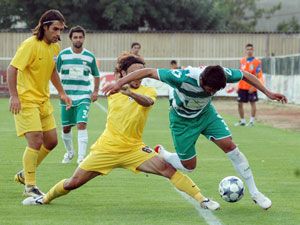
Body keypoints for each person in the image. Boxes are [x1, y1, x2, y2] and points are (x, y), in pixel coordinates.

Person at [22, 53, 220, 211]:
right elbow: (111, 84)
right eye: (134, 72)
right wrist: (118, 85)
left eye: (141, 73)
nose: (139, 77)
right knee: (73, 183)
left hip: (134, 149)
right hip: (106, 149)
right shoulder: (114, 91)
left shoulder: (147, 92)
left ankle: (203, 199)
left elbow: (148, 102)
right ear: (124, 74)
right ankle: (44, 198)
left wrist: (130, 93)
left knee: (168, 170)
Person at [102, 65, 287, 210]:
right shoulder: (183, 78)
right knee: (189, 166)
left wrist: (268, 93)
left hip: (206, 115)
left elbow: (245, 75)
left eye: (215, 91)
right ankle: (165, 155)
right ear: (201, 81)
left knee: (230, 146)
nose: (211, 93)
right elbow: (148, 71)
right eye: (209, 89)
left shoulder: (220, 74)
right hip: (181, 121)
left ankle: (256, 193)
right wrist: (118, 84)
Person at [7, 9, 72, 197]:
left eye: (61, 30)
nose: (59, 34)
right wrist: (14, 96)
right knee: (35, 139)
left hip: (43, 100)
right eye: (55, 29)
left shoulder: (54, 48)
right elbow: (12, 69)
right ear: (45, 27)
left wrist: (61, 93)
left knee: (51, 141)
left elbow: (52, 71)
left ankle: (24, 174)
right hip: (26, 100)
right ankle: (30, 186)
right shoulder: (30, 45)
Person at [56, 26, 100, 164]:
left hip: (83, 95)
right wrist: (60, 92)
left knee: (81, 124)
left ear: (84, 38)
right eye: (75, 37)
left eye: (80, 37)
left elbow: (96, 75)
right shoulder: (62, 55)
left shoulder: (89, 56)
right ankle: (70, 152)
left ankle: (81, 158)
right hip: (66, 97)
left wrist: (95, 91)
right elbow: (54, 74)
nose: (78, 39)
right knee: (66, 127)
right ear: (71, 39)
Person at [235, 43, 263, 127]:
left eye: (251, 49)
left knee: (252, 103)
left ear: (253, 50)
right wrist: (237, 85)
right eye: (248, 49)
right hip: (242, 86)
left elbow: (258, 75)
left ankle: (251, 121)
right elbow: (240, 73)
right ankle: (242, 121)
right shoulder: (242, 61)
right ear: (245, 50)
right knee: (239, 103)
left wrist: (254, 86)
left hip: (251, 86)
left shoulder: (257, 62)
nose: (249, 51)